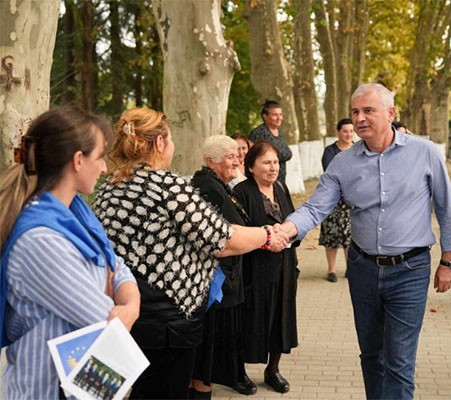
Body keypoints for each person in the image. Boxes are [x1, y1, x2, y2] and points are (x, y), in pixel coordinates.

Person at [279, 83, 451, 399]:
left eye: (369, 110)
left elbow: (447, 208)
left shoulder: (425, 153)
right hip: (362, 270)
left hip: (410, 270)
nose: (360, 118)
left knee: (399, 361)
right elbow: (315, 207)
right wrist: (285, 230)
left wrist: (448, 261)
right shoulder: (343, 163)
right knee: (371, 355)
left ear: (390, 113)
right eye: (355, 112)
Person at [93, 108, 288, 399]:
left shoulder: (109, 188)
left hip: (125, 311)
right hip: (169, 322)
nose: (171, 146)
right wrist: (269, 233)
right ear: (159, 144)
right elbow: (222, 239)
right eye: (170, 139)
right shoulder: (168, 186)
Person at [0, 106, 140, 399]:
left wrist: (129, 303)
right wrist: (116, 297)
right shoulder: (40, 240)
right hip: (45, 389)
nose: (104, 168)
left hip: (84, 386)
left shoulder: (75, 215)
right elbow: (101, 318)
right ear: (78, 160)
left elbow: (119, 267)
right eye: (100, 157)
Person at [188, 135, 256, 398]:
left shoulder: (220, 185)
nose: (237, 160)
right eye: (230, 156)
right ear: (210, 161)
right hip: (216, 284)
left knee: (210, 356)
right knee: (207, 357)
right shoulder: (208, 187)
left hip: (226, 281)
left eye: (237, 155)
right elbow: (226, 234)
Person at [233, 142, 300, 394]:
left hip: (284, 265)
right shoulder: (242, 192)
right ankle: (238, 372)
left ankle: (273, 369)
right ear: (250, 167)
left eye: (275, 162)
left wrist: (290, 237)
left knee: (280, 318)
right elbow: (238, 230)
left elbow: (293, 220)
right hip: (254, 267)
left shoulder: (281, 187)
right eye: (266, 162)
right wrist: (266, 239)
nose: (273, 168)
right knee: (249, 318)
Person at [319, 118, 354, 282]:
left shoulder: (358, 149)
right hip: (333, 199)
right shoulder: (330, 151)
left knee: (350, 236)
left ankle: (350, 268)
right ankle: (331, 270)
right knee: (332, 235)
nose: (348, 134)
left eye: (351, 131)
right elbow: (331, 172)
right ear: (338, 132)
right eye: (345, 131)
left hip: (353, 200)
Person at [249, 100, 293, 182]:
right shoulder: (259, 133)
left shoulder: (280, 132)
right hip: (264, 180)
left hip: (280, 180)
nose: (279, 118)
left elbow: (286, 153)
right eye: (275, 115)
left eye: (280, 114)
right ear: (265, 117)